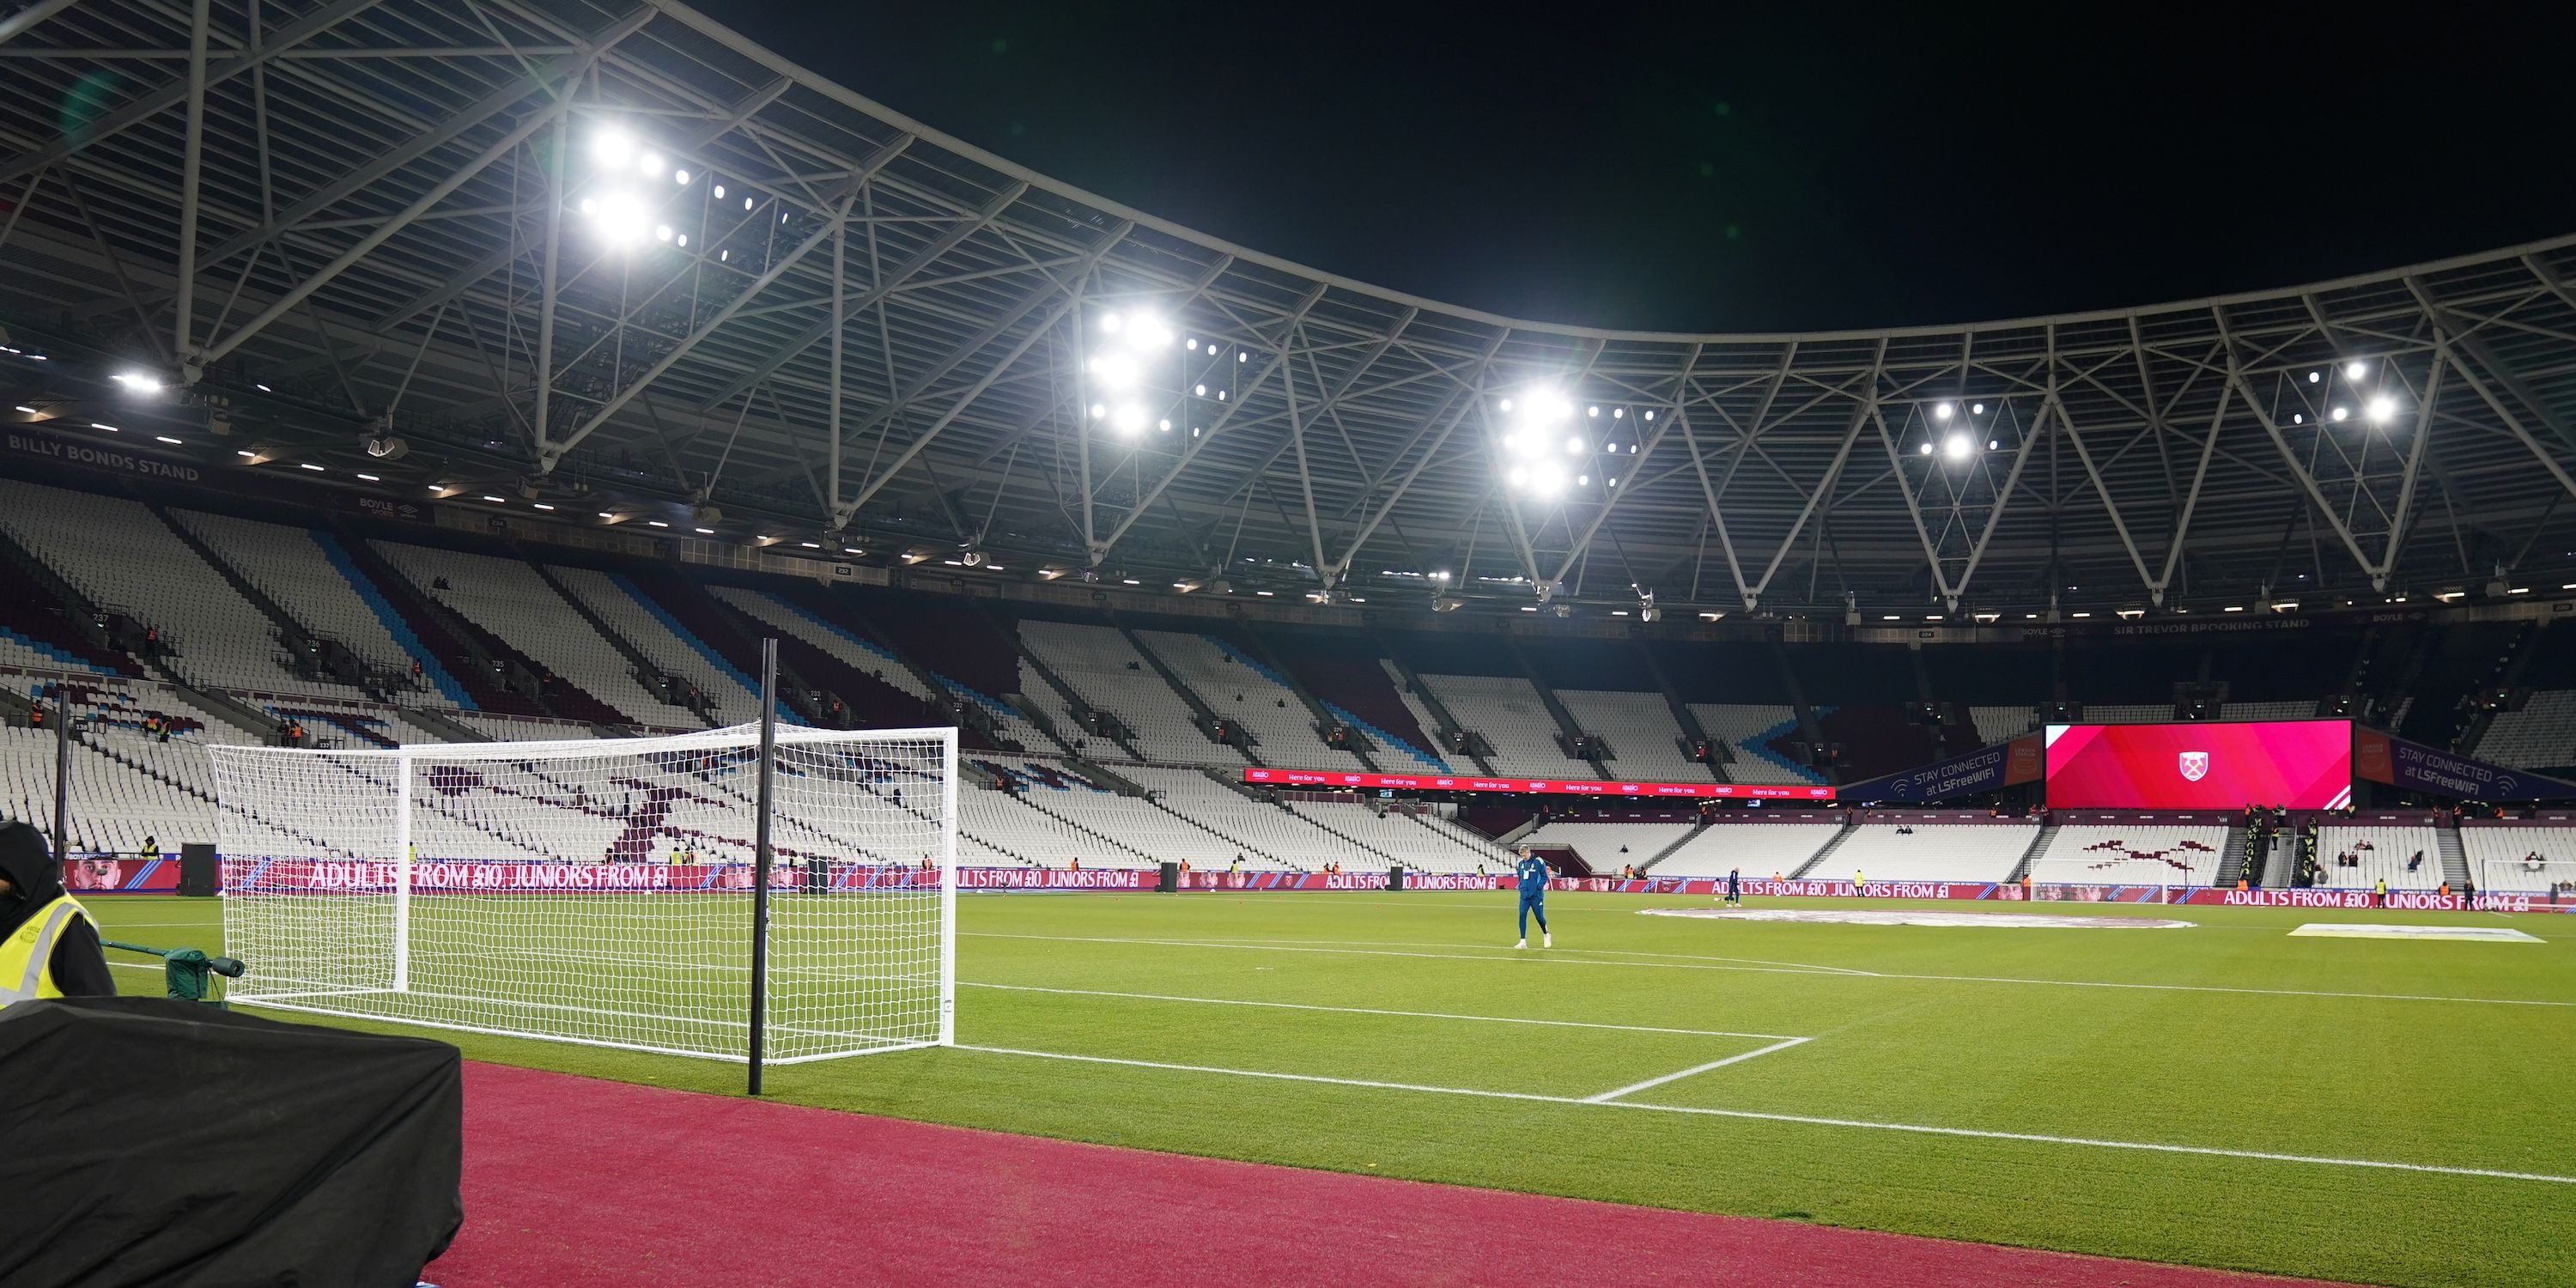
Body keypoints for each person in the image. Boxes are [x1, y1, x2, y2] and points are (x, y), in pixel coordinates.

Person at [1, 820, 115, 1003]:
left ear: (16, 873)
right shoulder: (7, 905)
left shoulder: (68, 924)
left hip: (33, 1032)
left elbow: (98, 1010)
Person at [1512, 847, 1552, 950]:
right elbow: (1520, 878)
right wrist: (1521, 888)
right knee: (1522, 915)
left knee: (1539, 917)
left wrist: (1539, 887)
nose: (1523, 857)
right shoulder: (1521, 864)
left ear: (1528, 852)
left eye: (1524, 854)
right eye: (1521, 855)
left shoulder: (1538, 861)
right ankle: (1522, 941)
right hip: (1524, 896)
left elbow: (1544, 876)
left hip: (1536, 896)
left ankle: (1546, 934)